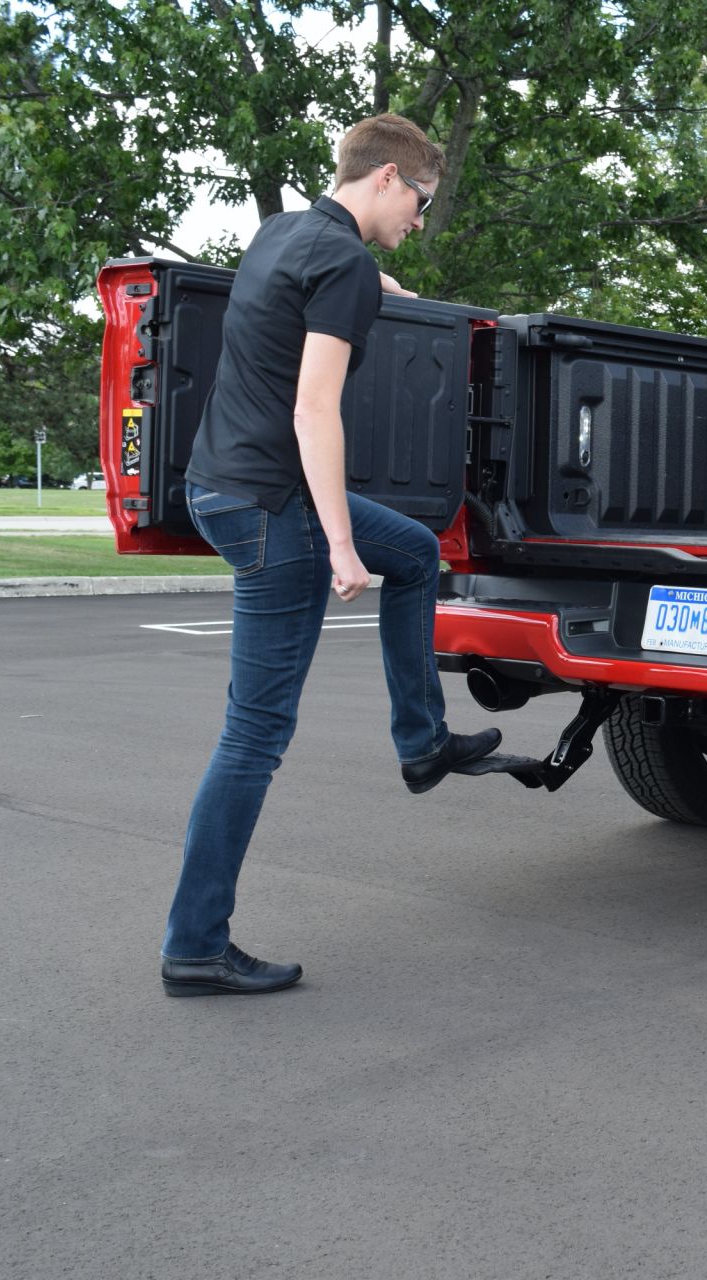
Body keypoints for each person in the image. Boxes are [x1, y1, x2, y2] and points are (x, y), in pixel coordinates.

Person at [159, 114, 503, 997]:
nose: (422, 221)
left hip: (221, 485)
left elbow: (301, 301)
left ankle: (423, 744)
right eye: (421, 202)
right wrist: (342, 546)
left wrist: (374, 284)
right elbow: (315, 410)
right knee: (254, 735)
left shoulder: (285, 236)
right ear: (387, 178)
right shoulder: (341, 264)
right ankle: (196, 944)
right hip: (279, 506)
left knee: (420, 553)